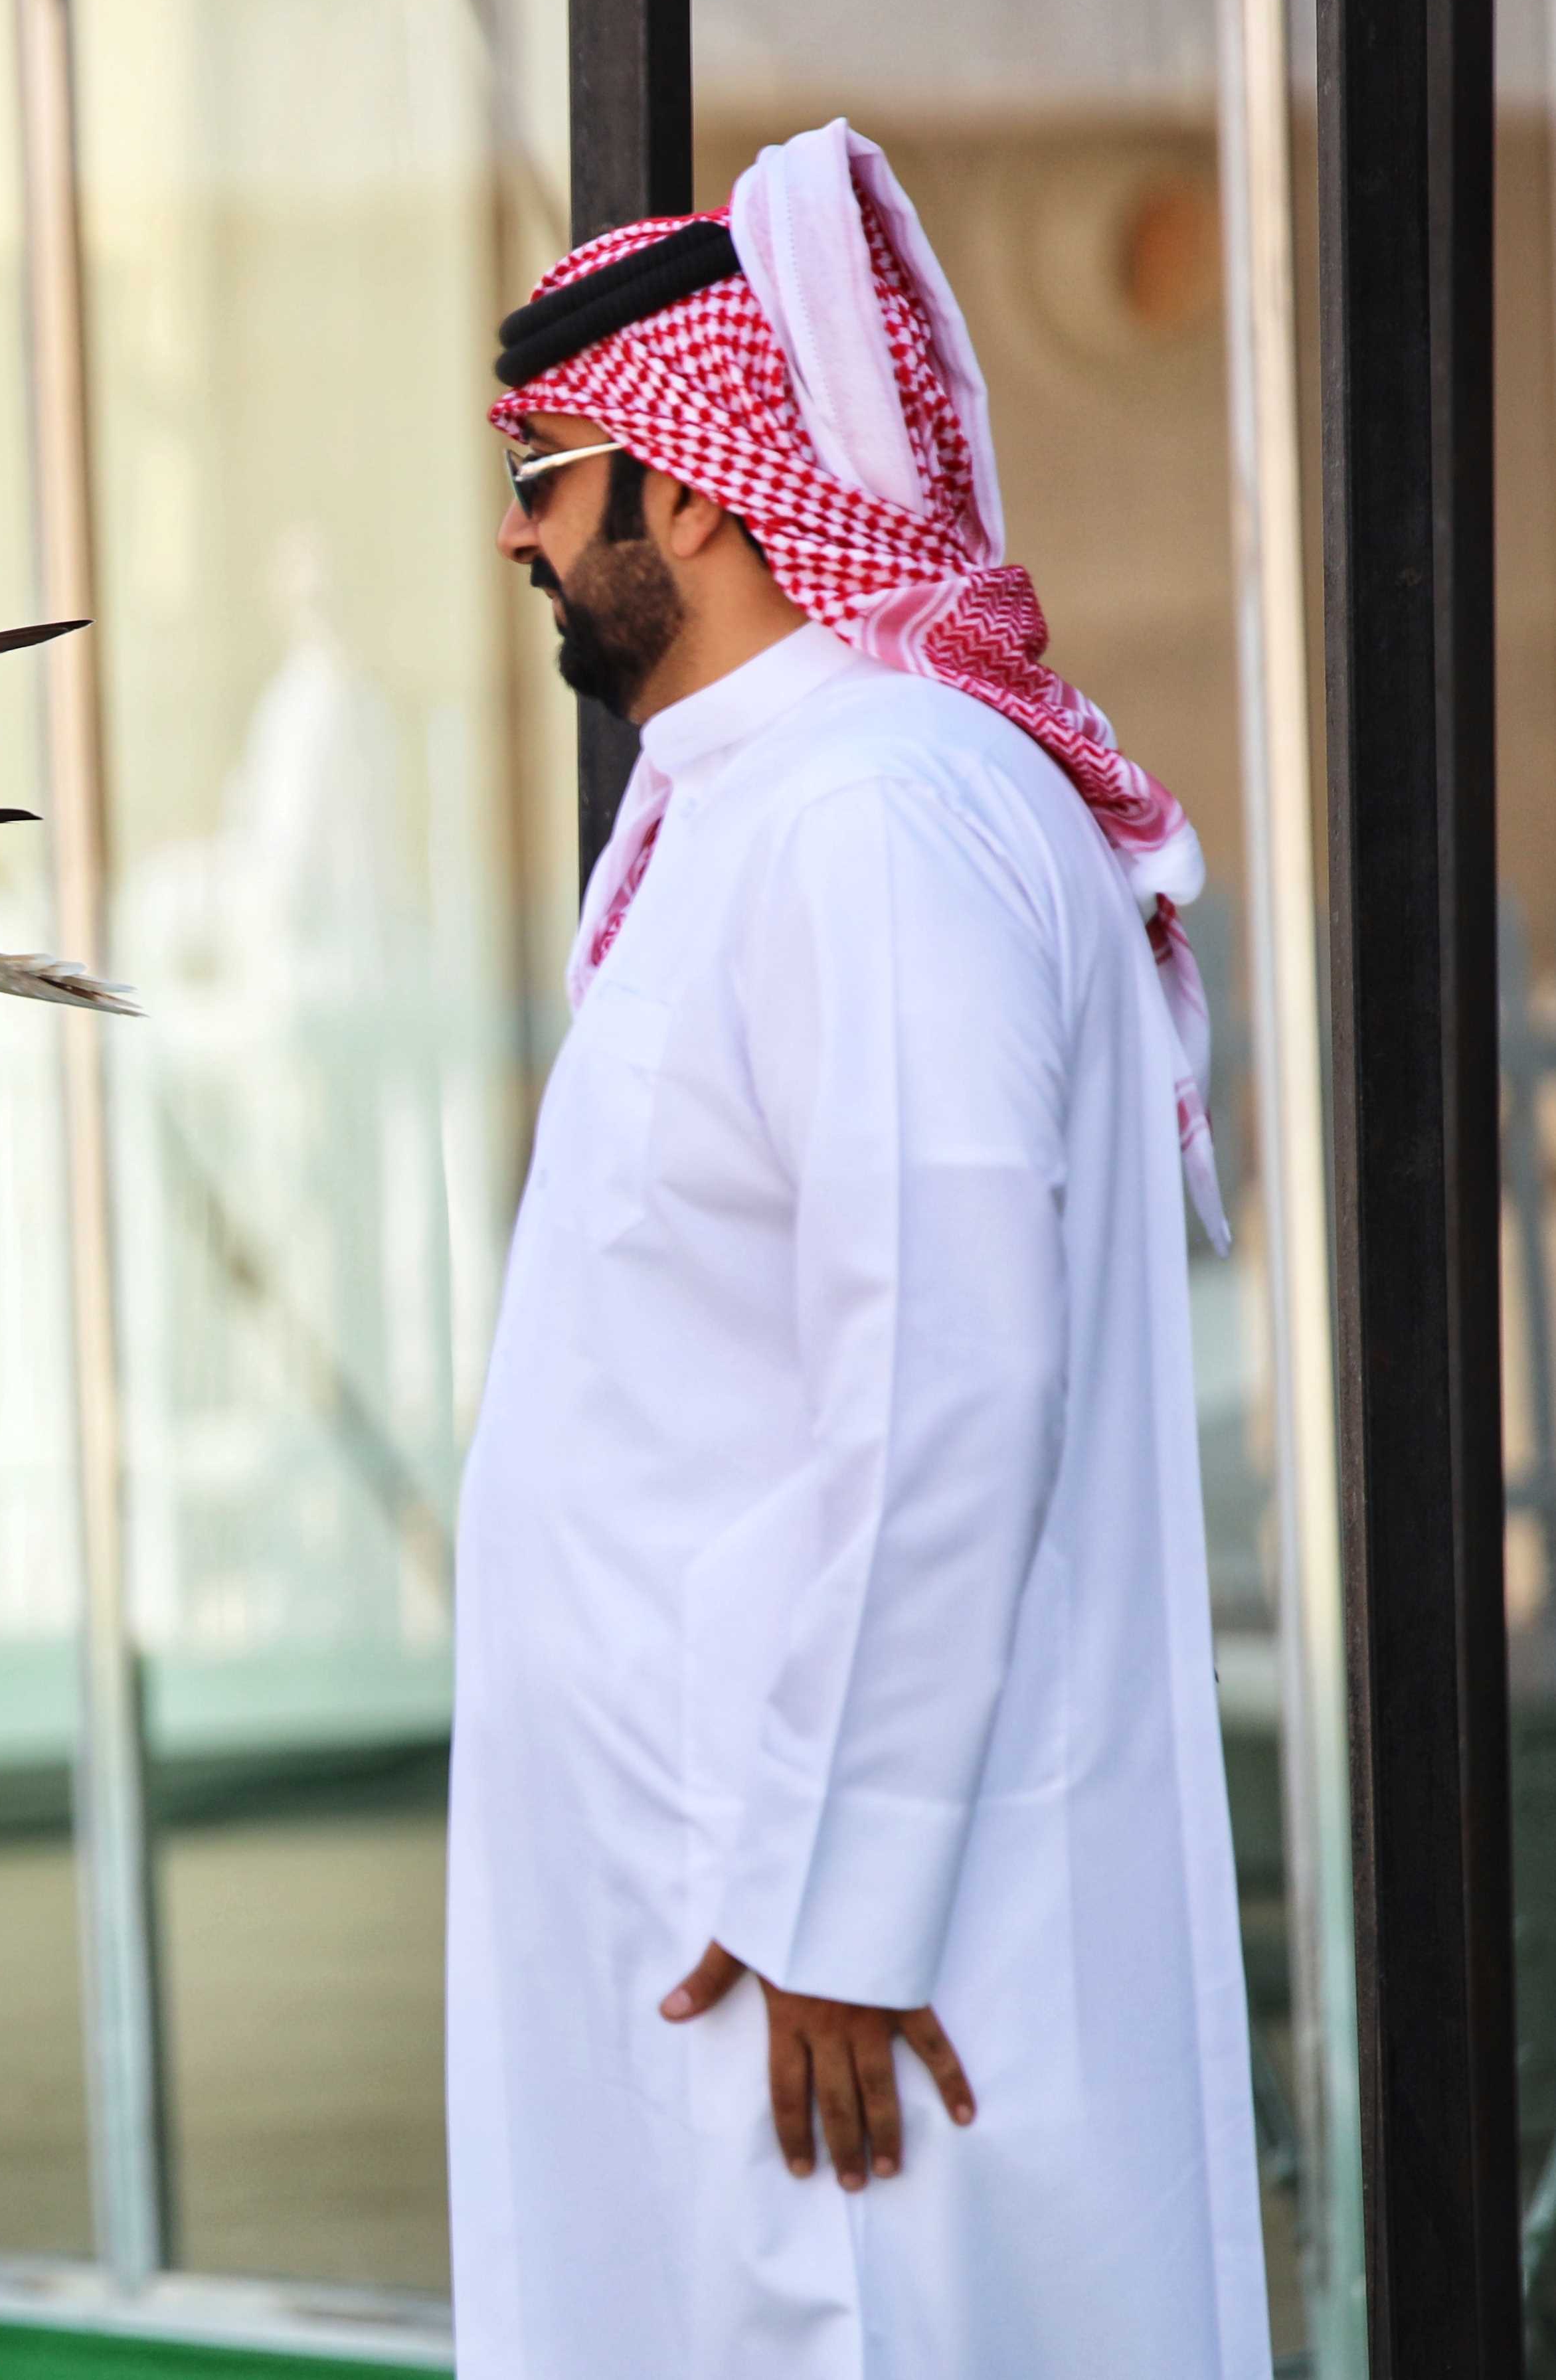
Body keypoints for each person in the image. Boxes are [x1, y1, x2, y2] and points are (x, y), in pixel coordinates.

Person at [446, 121, 1266, 2377]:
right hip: (727, 1876)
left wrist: (843, 1893)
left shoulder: (879, 812)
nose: (514, 528)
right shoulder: (763, 804)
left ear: (699, 487)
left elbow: (945, 1372)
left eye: (552, 466)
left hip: (825, 1927)